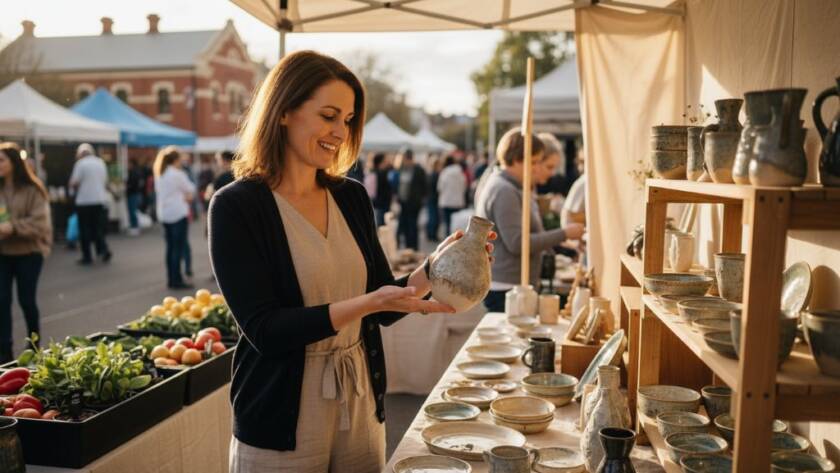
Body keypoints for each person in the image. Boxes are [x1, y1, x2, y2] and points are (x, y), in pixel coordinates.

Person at [208, 50, 493, 473]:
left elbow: (384, 300)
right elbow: (265, 331)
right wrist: (367, 303)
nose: (340, 131)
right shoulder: (236, 206)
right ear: (283, 111)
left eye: (347, 119)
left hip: (358, 404)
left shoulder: (351, 197)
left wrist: (437, 267)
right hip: (280, 417)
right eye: (328, 115)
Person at [475, 127, 585, 312]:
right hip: (507, 287)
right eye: (533, 161)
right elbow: (517, 243)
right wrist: (564, 233)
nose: (536, 167)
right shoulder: (505, 190)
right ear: (517, 160)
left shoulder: (511, 187)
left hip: (511, 285)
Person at [0, 143, 52, 362]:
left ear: (14, 162)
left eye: (1, 160)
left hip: (29, 253)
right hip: (2, 253)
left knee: (26, 300)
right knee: (1, 301)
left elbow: (40, 224)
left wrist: (13, 227)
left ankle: (33, 345)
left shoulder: (33, 189)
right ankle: (4, 352)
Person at [154, 146, 196, 290]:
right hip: (178, 213)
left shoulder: (160, 174)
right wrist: (186, 196)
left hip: (164, 214)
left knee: (170, 248)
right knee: (178, 248)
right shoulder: (177, 174)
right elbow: (191, 189)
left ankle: (171, 279)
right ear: (175, 160)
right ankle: (177, 280)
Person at [69, 143, 111, 265]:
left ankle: (87, 256)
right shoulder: (100, 163)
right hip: (99, 200)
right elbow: (105, 182)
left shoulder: (80, 164)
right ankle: (103, 249)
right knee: (97, 228)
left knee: (85, 230)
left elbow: (74, 183)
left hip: (84, 201)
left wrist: (73, 190)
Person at [394, 149, 426, 250]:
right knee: (405, 226)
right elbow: (398, 185)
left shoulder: (419, 170)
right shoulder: (401, 169)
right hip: (403, 202)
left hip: (414, 203)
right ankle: (408, 247)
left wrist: (421, 198)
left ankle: (414, 247)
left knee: (413, 226)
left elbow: (425, 186)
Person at [437, 155, 467, 236]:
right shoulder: (460, 172)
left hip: (446, 202)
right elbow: (464, 186)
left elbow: (440, 187)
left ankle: (448, 242)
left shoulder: (444, 173)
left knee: (447, 224)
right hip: (458, 202)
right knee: (456, 225)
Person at [562, 147, 587, 228]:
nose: (580, 165)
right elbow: (572, 215)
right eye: (580, 161)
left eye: (582, 161)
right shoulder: (584, 182)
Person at [371, 152, 392, 227]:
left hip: (375, 204)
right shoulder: (381, 174)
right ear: (381, 162)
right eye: (385, 161)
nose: (387, 163)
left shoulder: (372, 172)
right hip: (381, 205)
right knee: (380, 227)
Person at [425, 155, 442, 242]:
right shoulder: (436, 175)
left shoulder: (429, 174)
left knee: (431, 217)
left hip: (429, 198)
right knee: (434, 218)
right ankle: (432, 235)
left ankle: (430, 234)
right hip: (434, 198)